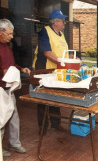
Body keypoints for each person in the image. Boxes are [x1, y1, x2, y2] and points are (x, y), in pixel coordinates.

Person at [32, 10, 69, 135]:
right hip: (43, 69)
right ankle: (42, 127)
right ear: (56, 21)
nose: (64, 22)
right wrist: (63, 62)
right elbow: (47, 52)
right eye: (62, 20)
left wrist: (71, 60)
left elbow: (64, 52)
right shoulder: (45, 32)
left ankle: (55, 123)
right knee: (43, 99)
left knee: (55, 96)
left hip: (56, 70)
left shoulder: (61, 34)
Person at [0, 19, 31, 157]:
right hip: (1, 89)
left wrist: (20, 68)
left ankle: (15, 144)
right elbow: (5, 70)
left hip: (9, 88)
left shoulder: (7, 46)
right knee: (1, 119)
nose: (12, 36)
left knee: (13, 116)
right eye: (9, 33)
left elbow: (11, 64)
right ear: (0, 32)